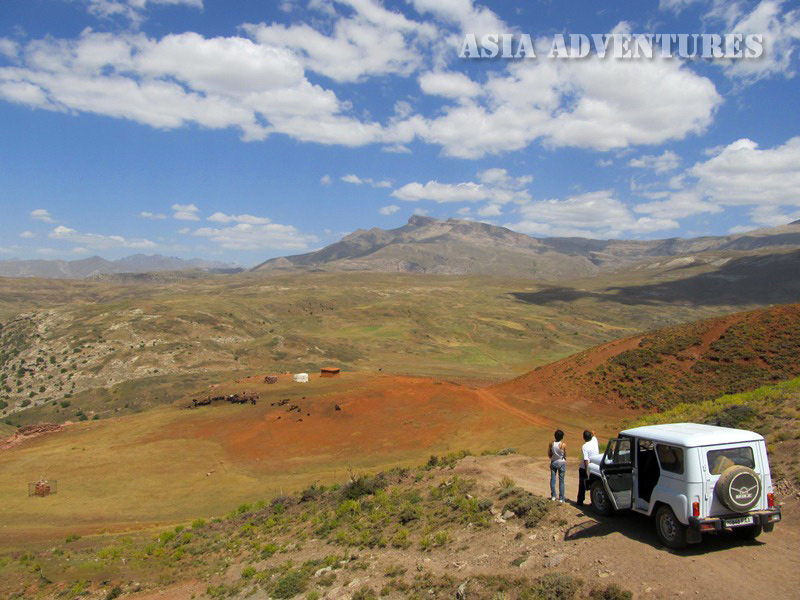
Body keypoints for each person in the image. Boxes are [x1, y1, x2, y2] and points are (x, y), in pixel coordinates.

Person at [577, 429, 599, 506]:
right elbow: (594, 433)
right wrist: (592, 433)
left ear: (583, 437)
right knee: (594, 486)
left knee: (582, 485)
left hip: (585, 468)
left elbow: (586, 460)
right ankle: (594, 502)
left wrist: (587, 471)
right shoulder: (595, 440)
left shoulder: (585, 446)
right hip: (595, 467)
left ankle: (580, 501)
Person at [548, 429, 567, 502]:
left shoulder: (551, 444)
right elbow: (564, 454)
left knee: (553, 479)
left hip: (554, 462)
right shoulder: (563, 445)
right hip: (561, 462)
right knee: (561, 481)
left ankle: (553, 496)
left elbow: (549, 455)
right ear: (562, 437)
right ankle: (561, 498)